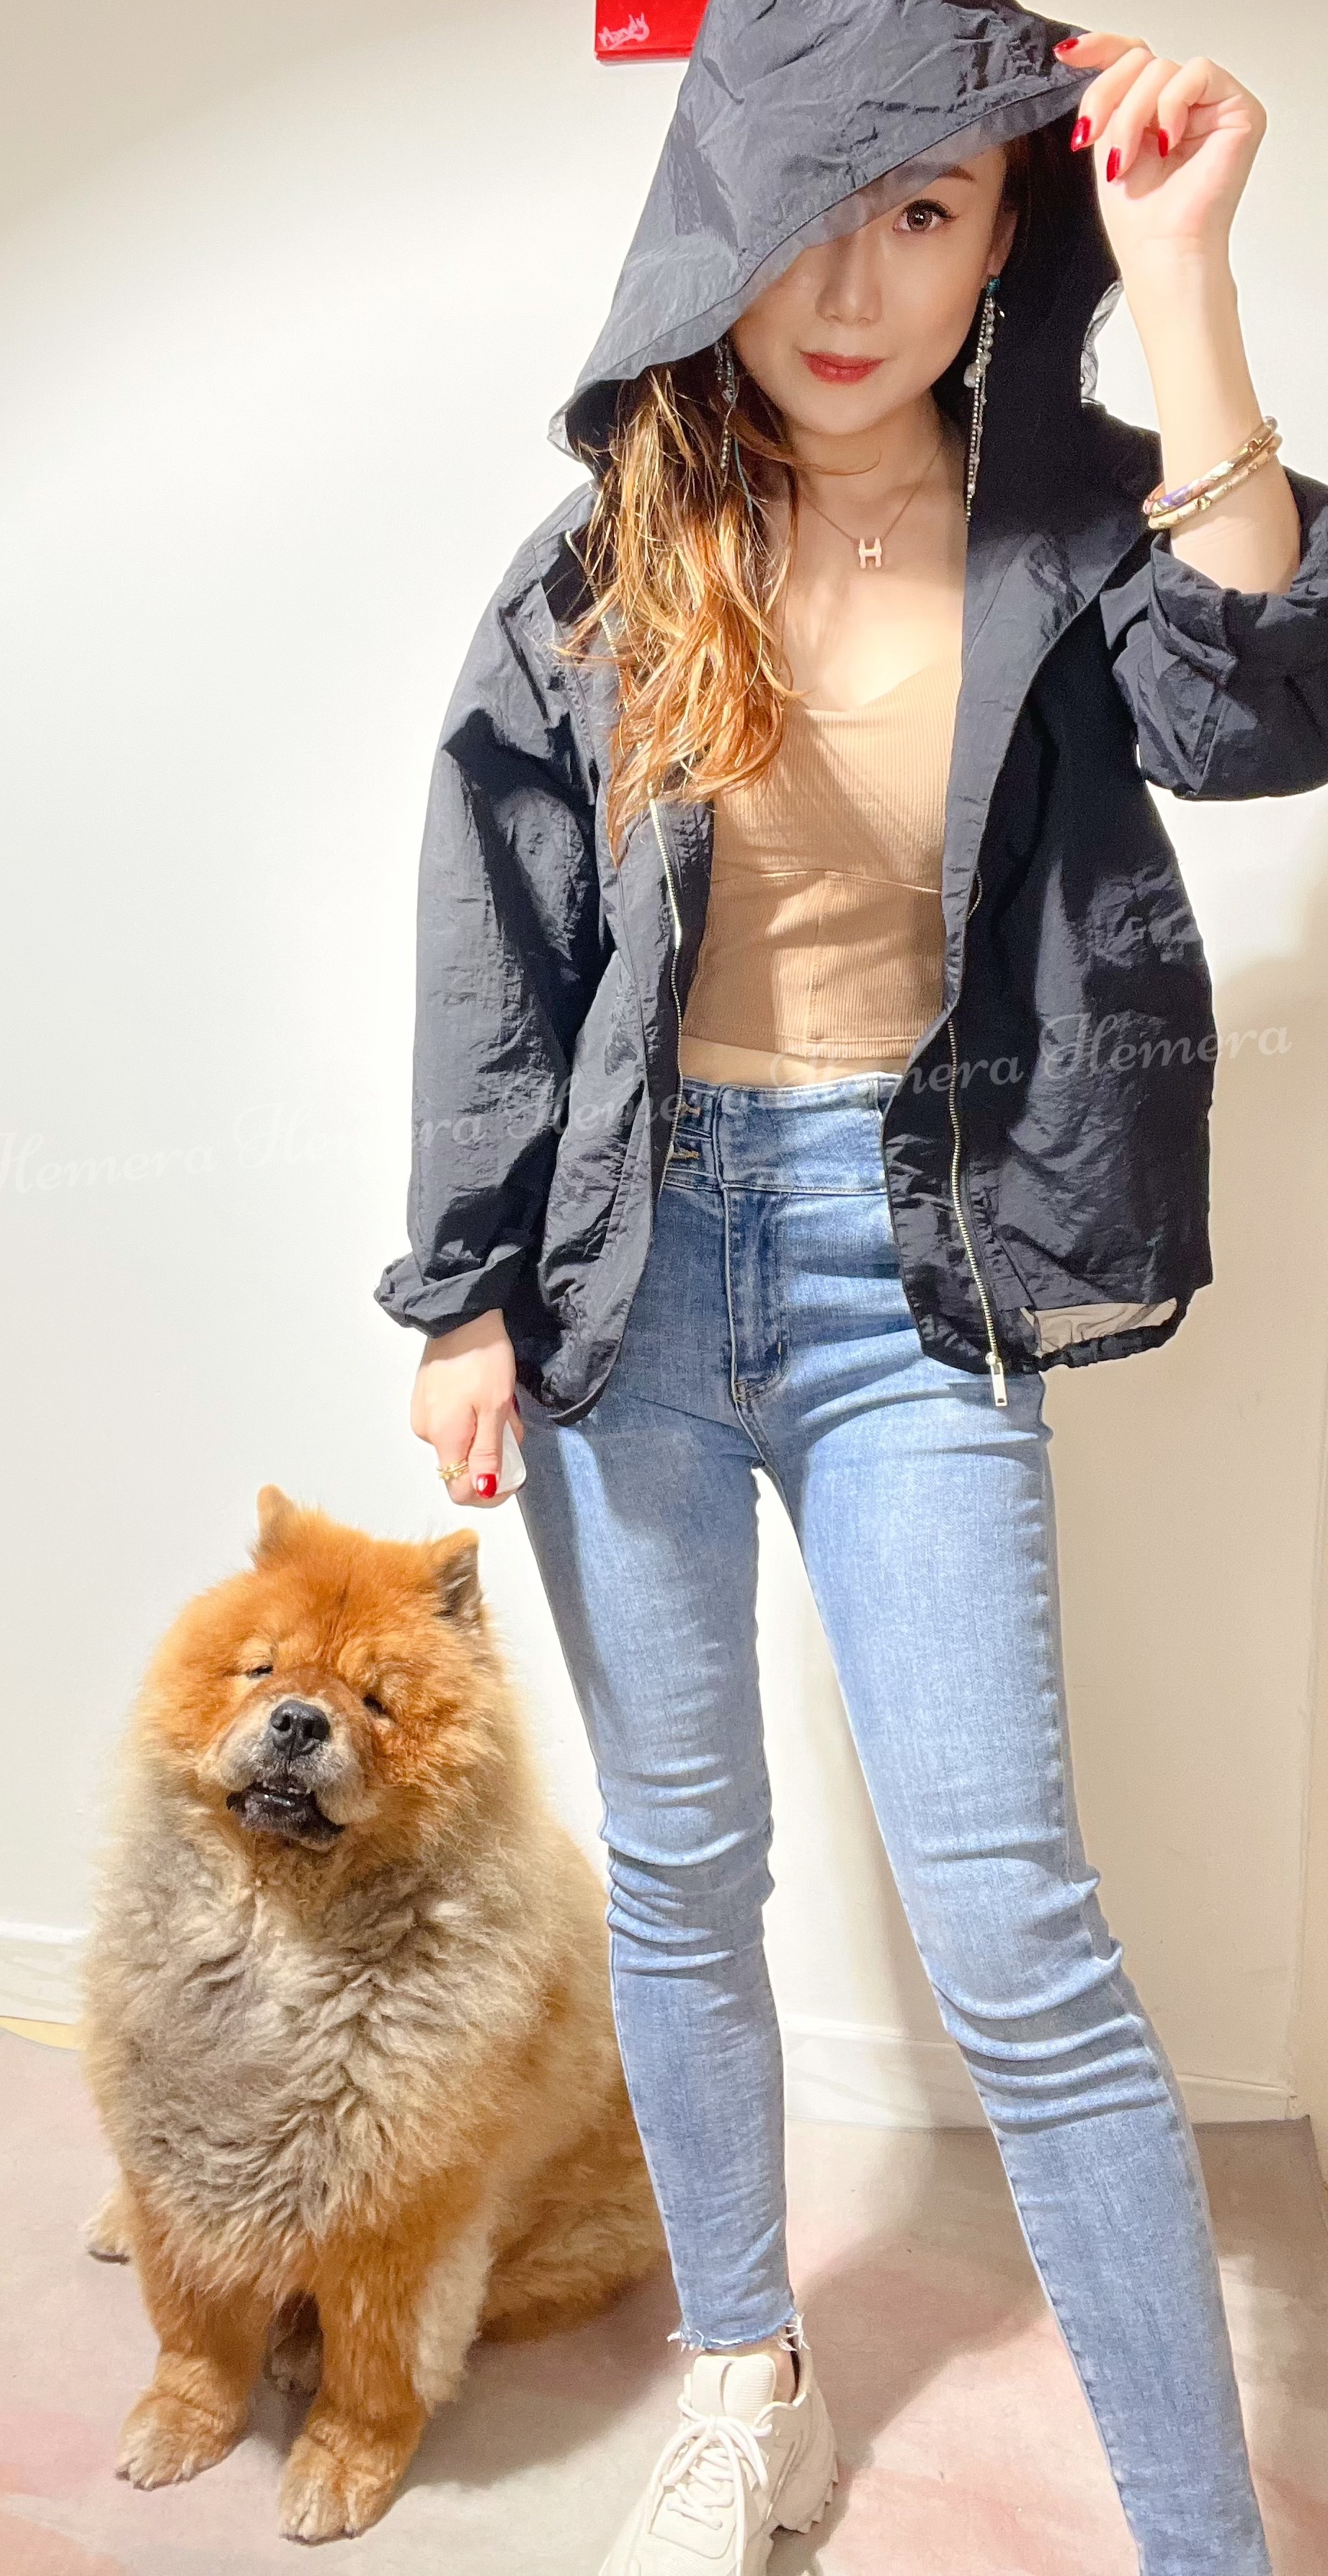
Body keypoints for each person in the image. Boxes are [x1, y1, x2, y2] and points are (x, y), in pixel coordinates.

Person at [375, 6, 1328, 2569]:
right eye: (806, 207)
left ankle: (1197, 2537)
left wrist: (1182, 271)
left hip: (919, 1261)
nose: (848, 284)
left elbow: (1261, 710)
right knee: (683, 1865)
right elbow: (497, 938)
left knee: (1015, 1932)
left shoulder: (1074, 522)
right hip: (629, 1260)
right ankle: (745, 2383)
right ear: (717, 213)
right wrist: (462, 1298)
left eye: (922, 212)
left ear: (1004, 232)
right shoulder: (607, 549)